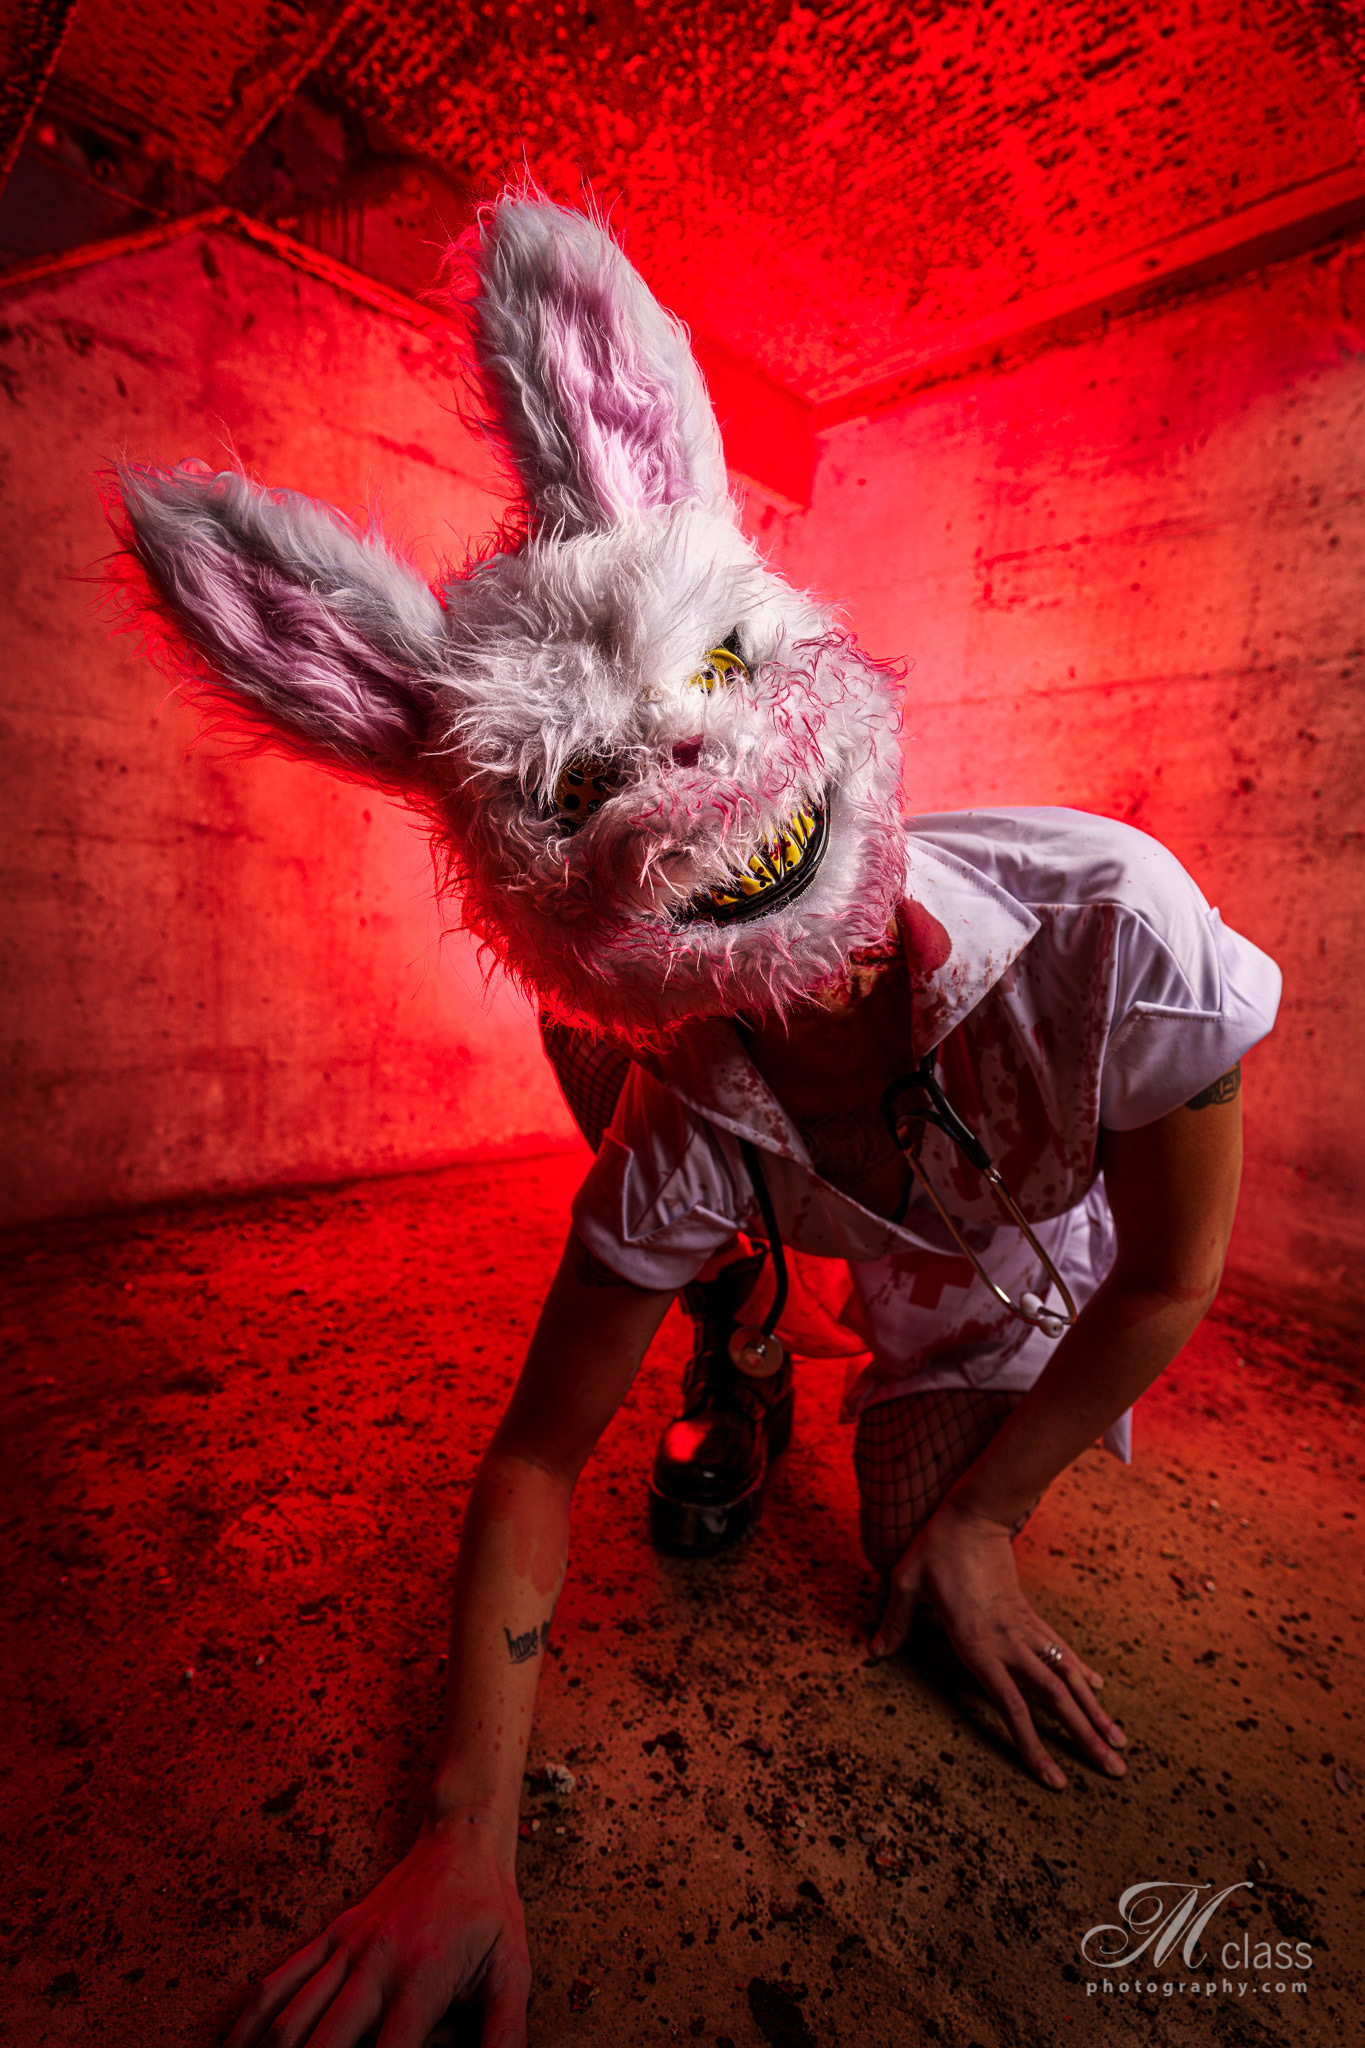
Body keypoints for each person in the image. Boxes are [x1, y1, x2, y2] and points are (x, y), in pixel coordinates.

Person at [109, 193, 1279, 2048]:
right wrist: (464, 1836)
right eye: (585, 782)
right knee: (625, 1095)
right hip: (733, 1151)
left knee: (920, 1561)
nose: (682, 772)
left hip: (1001, 1270)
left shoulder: (1115, 924)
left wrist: (986, 1518)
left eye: (715, 679)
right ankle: (731, 1321)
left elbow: (1164, 1280)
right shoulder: (682, 1099)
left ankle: (817, 1339)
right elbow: (533, 1460)